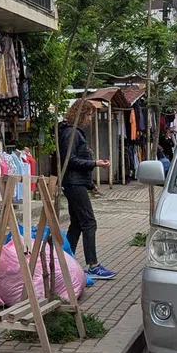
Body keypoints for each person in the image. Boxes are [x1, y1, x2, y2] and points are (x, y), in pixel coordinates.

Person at [58, 102, 116, 280]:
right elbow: (71, 161)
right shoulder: (71, 133)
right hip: (74, 184)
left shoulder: (73, 132)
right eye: (89, 115)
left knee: (76, 224)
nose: (90, 120)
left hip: (77, 183)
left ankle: (67, 261)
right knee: (89, 222)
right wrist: (95, 163)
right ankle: (93, 265)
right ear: (80, 114)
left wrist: (90, 185)